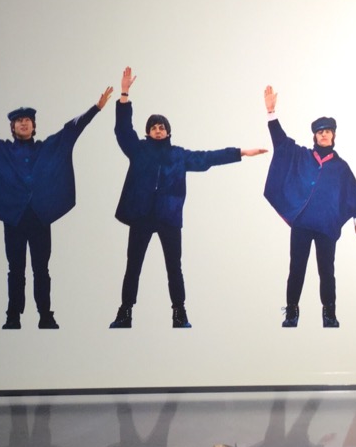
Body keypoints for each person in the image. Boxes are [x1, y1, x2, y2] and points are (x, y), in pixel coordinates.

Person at [0, 86, 113, 329]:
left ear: (34, 126)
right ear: (12, 127)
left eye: (27, 120)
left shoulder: (47, 147)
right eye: (18, 121)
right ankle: (13, 316)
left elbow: (71, 130)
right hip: (14, 218)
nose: (23, 123)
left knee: (41, 269)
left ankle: (45, 315)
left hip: (40, 217)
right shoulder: (2, 149)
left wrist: (95, 108)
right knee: (15, 269)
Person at [109, 66, 266, 329]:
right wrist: (124, 95)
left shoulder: (179, 155)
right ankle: (125, 313)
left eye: (162, 127)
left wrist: (241, 152)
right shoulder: (138, 150)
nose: (158, 130)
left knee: (174, 267)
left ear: (168, 132)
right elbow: (123, 131)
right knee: (133, 265)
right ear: (148, 133)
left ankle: (179, 313)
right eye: (153, 128)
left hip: (169, 218)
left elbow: (207, 158)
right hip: (141, 216)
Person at [262, 85, 356, 328]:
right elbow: (281, 142)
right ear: (315, 136)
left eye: (327, 131)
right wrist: (271, 113)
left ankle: (329, 314)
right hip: (302, 224)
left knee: (327, 271)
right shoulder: (302, 156)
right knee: (296, 268)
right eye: (320, 132)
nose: (323, 135)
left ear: (333, 136)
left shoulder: (341, 167)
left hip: (326, 227)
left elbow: (352, 195)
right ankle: (291, 312)